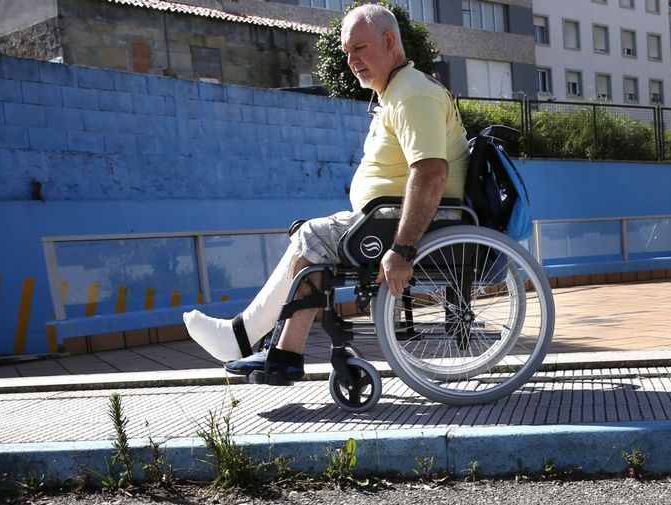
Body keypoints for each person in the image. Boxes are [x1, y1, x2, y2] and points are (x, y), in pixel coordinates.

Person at [183, 4, 470, 381]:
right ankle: (280, 350)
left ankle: (248, 337)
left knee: (312, 236)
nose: (351, 61)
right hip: (389, 217)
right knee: (313, 238)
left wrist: (402, 250)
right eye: (346, 53)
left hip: (407, 223)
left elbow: (431, 172)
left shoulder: (412, 94)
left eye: (359, 49)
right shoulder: (402, 90)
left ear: (388, 41)